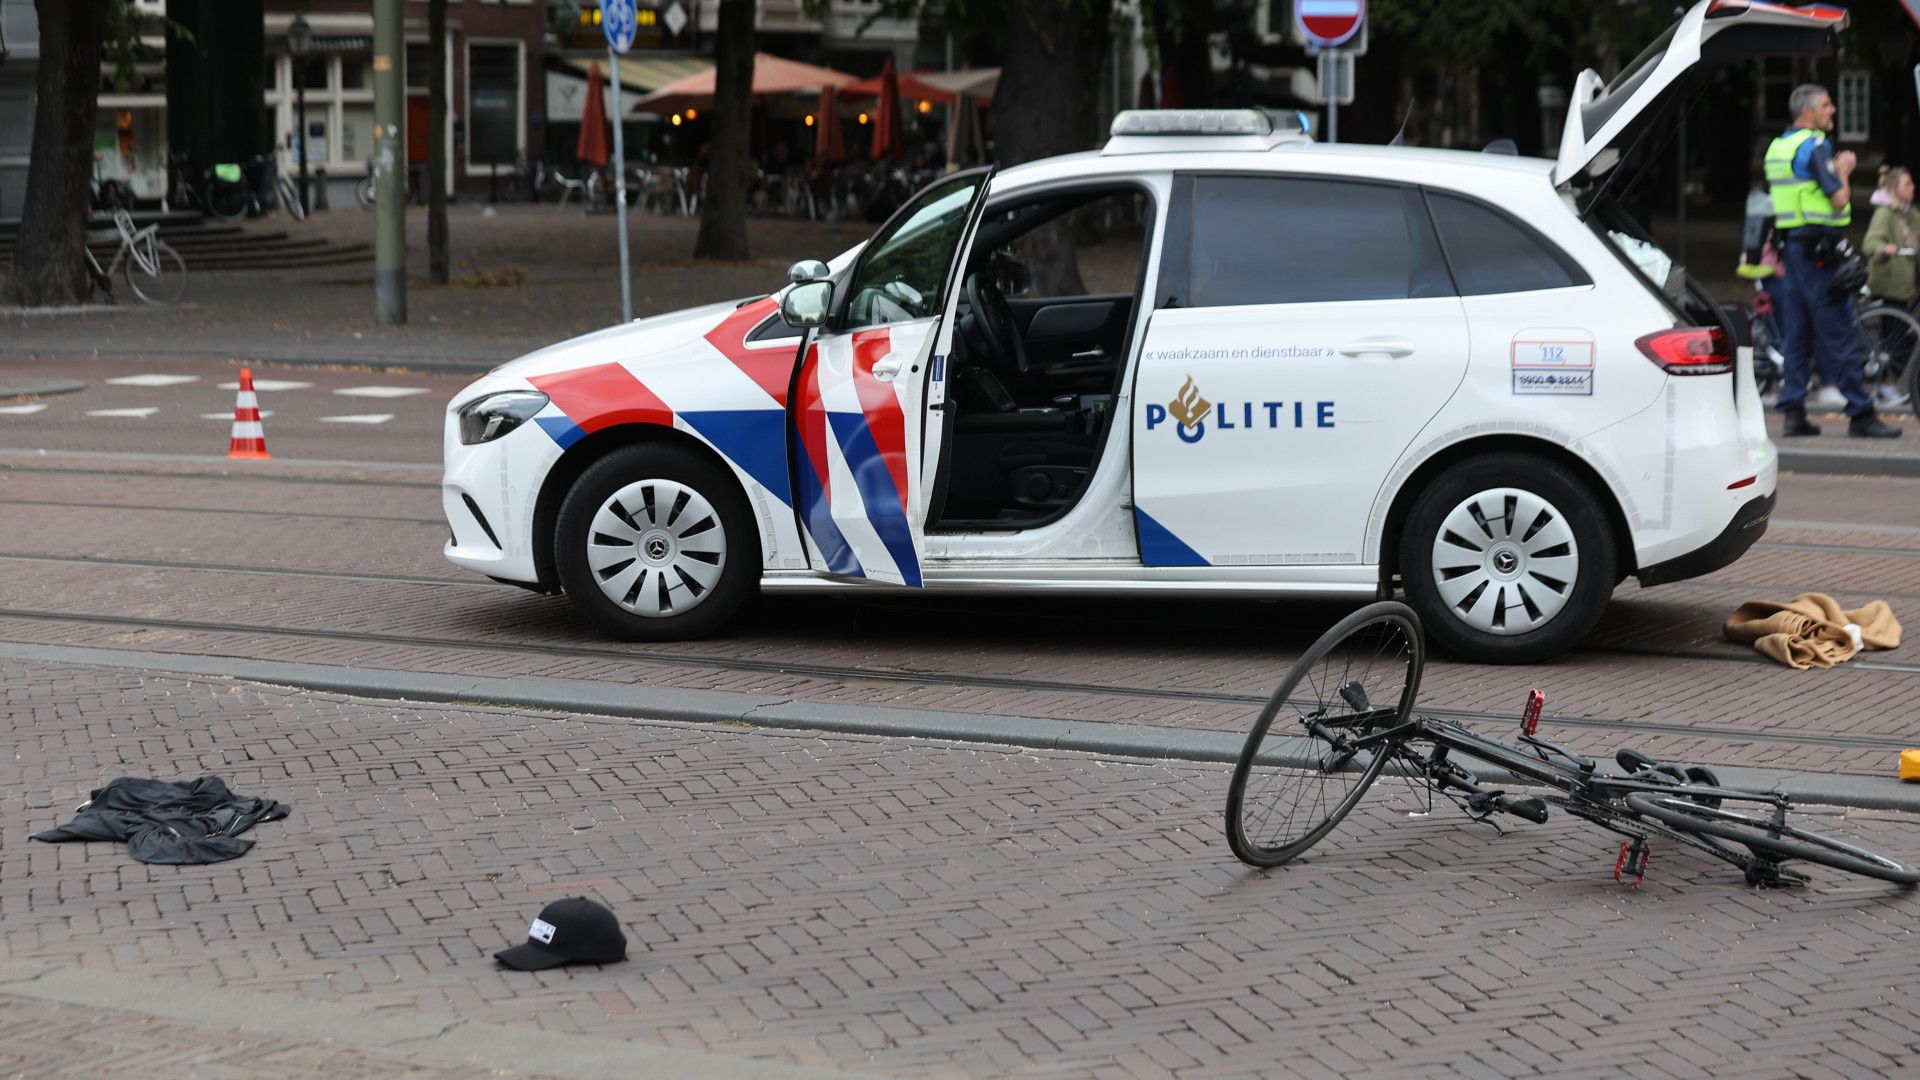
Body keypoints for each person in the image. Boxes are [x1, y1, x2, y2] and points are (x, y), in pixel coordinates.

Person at [1764, 83, 1901, 438]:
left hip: (1792, 249)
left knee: (1798, 332)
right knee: (1840, 330)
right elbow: (1838, 199)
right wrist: (1843, 169)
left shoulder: (1778, 146)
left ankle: (1793, 411)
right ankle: (1861, 414)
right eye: (1826, 105)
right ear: (1807, 112)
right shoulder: (1815, 145)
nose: (1833, 110)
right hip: (1819, 254)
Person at [1865, 165, 1918, 307]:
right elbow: (1870, 243)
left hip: (1905, 284)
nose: (1912, 187)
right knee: (1893, 326)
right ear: (1895, 188)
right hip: (1889, 286)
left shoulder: (1911, 212)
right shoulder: (1884, 214)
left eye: (1911, 183)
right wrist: (1884, 249)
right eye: (1907, 184)